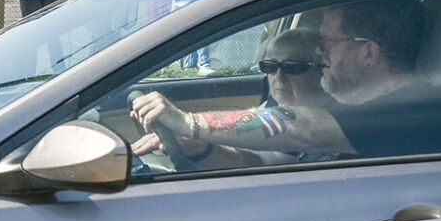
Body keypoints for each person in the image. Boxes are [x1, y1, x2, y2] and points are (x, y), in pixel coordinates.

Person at [130, 0, 441, 165]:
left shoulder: (415, 111)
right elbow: (264, 162)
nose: (318, 52)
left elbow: (301, 129)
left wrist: (189, 122)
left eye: (327, 41)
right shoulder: (353, 104)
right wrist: (201, 147)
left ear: (369, 52)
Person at [135, 27, 337, 167]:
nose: (279, 76)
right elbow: (251, 142)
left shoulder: (330, 118)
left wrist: (189, 127)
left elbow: (266, 164)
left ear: (323, 72)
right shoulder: (275, 104)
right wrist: (198, 144)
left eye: (292, 67)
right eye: (269, 66)